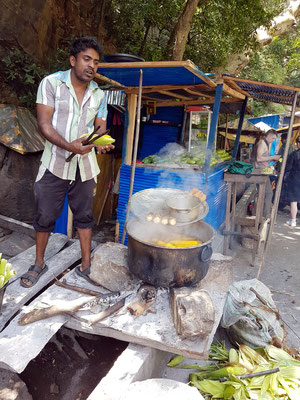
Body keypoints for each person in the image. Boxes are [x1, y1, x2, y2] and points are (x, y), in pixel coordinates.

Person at [21, 37, 114, 287]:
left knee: (85, 216)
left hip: (85, 166)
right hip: (55, 163)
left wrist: (100, 140)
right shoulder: (51, 84)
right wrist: (69, 146)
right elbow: (43, 125)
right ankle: (39, 263)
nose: (91, 65)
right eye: (86, 59)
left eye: (95, 62)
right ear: (73, 60)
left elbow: (100, 126)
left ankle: (86, 266)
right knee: (44, 215)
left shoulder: (99, 94)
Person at [254, 129, 281, 218]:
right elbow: (259, 158)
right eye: (273, 138)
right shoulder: (262, 143)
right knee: (268, 193)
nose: (273, 140)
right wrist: (273, 157)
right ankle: (264, 216)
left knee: (266, 193)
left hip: (263, 172)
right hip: (259, 172)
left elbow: (264, 157)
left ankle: (260, 214)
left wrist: (272, 158)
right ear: (268, 135)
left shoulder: (266, 143)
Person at [285, 136, 300, 227]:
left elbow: (288, 168)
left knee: (293, 201)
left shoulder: (294, 154)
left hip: (295, 179)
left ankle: (292, 221)